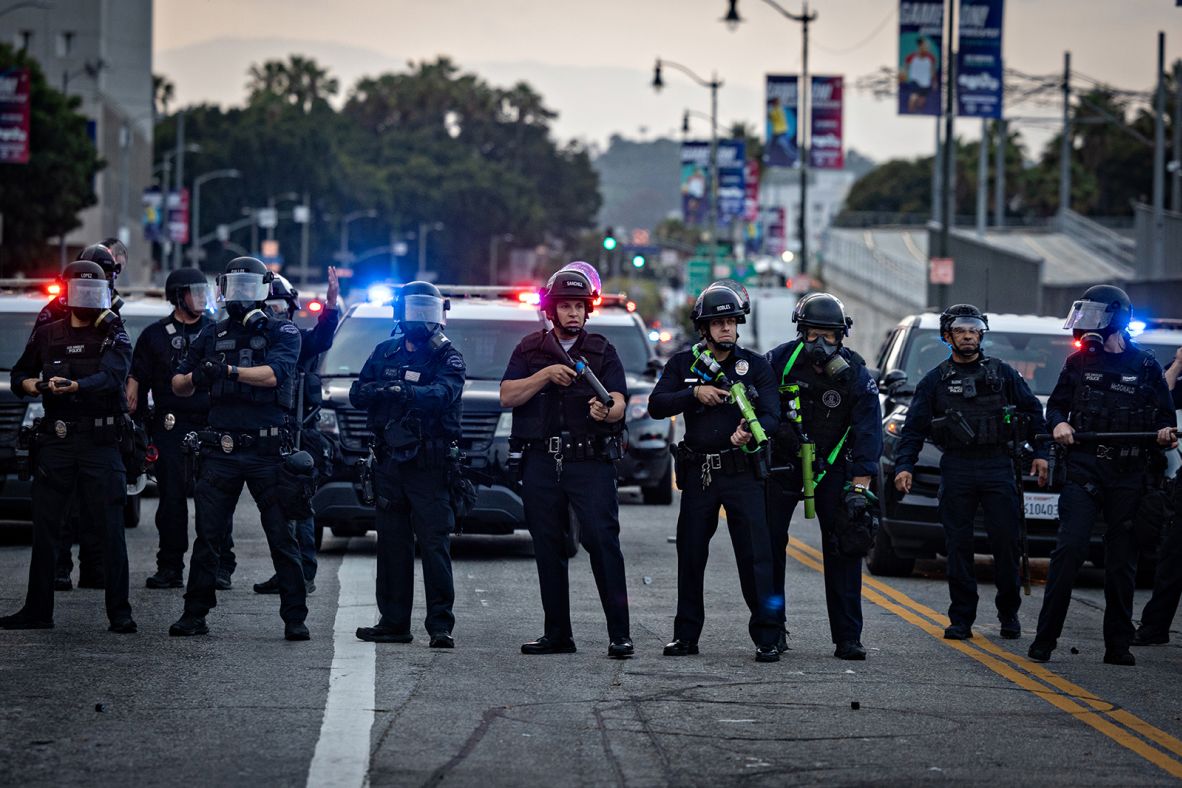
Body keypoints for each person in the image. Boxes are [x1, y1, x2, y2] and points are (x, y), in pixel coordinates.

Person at [1029, 285, 1177, 665]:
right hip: (1085, 469)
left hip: (1129, 474)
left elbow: (1165, 418)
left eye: (1095, 313)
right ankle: (1045, 640)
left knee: (1121, 562)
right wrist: (1060, 423)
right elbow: (1056, 407)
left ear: (1116, 318)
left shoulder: (1145, 366)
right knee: (1069, 551)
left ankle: (1117, 645)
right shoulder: (1078, 363)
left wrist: (1164, 434)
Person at [167, 257, 309, 641]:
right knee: (208, 537)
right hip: (221, 449)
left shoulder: (283, 332)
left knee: (282, 536)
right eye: (234, 287)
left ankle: (295, 617)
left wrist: (228, 372)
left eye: (248, 287)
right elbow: (178, 385)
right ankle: (195, 614)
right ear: (223, 288)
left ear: (263, 289)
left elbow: (275, 375)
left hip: (266, 450)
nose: (240, 296)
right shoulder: (211, 335)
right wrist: (199, 376)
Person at [893, 304, 1048, 641]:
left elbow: (1034, 412)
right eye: (960, 330)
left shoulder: (1003, 374)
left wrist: (1042, 454)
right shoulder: (935, 381)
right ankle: (961, 618)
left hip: (998, 466)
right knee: (958, 546)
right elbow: (913, 430)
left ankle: (1009, 614)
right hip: (958, 467)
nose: (967, 335)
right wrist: (904, 466)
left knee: (1006, 544)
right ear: (947, 336)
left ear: (981, 334)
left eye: (973, 329)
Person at [500, 265, 633, 658]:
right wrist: (544, 375)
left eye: (579, 306)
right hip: (541, 460)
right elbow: (507, 395)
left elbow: (620, 401)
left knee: (602, 542)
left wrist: (605, 412)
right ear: (551, 310)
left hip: (589, 461)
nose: (572, 313)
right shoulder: (529, 350)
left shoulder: (602, 350)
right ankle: (558, 633)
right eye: (565, 306)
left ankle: (620, 635)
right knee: (548, 546)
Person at [649, 281, 782, 663]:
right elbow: (657, 405)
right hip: (700, 475)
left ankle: (767, 637)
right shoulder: (682, 365)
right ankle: (685, 636)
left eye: (731, 321)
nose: (726, 328)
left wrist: (748, 432)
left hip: (742, 473)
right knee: (691, 555)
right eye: (717, 322)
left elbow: (773, 416)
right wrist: (693, 394)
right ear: (703, 328)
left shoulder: (755, 366)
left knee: (756, 556)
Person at [1, 260, 135, 633]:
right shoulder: (49, 333)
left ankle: (119, 613)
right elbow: (19, 375)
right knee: (45, 529)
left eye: (94, 293)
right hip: (57, 441)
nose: (87, 300)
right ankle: (37, 610)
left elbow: (113, 377)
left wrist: (77, 387)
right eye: (80, 291)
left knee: (110, 528)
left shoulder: (113, 333)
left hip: (100, 442)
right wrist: (36, 387)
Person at [765, 293, 883, 660]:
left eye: (828, 336)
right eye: (813, 334)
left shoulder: (856, 373)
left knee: (845, 545)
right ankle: (771, 630)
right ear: (801, 332)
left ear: (841, 337)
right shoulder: (779, 361)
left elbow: (869, 429)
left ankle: (848, 637)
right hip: (785, 462)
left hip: (833, 467)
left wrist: (860, 485)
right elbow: (758, 405)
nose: (820, 344)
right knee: (767, 546)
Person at [352, 281, 464, 648]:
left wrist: (406, 391)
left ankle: (440, 626)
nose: (419, 319)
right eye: (413, 310)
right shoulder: (385, 351)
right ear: (399, 313)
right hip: (389, 463)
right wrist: (385, 390)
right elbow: (358, 393)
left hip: (428, 466)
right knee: (392, 544)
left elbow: (444, 394)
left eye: (426, 311)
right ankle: (394, 622)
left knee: (433, 544)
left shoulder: (447, 357)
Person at [252, 269, 340, 596]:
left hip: (298, 433)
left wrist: (331, 303)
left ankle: (304, 572)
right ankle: (284, 571)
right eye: (267, 307)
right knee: (274, 508)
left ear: (290, 308)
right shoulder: (257, 341)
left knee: (298, 502)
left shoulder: (297, 340)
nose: (272, 313)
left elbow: (324, 337)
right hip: (263, 431)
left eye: (277, 307)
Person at [42, 243, 124, 590]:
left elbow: (119, 367)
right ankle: (60, 568)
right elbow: (35, 360)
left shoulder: (112, 314)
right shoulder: (53, 313)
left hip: (101, 420)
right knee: (63, 508)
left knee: (98, 509)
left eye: (106, 274)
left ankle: (95, 569)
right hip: (63, 425)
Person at [128, 267, 214, 589]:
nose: (203, 298)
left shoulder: (216, 331)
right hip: (170, 424)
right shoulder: (153, 335)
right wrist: (134, 387)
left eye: (205, 291)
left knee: (213, 498)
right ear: (178, 296)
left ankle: (217, 566)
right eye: (196, 291)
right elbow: (137, 377)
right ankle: (170, 566)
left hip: (210, 425)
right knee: (172, 499)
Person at [1133, 346, 1182, 646]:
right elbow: (1160, 399)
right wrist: (1177, 364)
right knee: (1172, 558)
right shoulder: (1174, 371)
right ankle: (1155, 627)